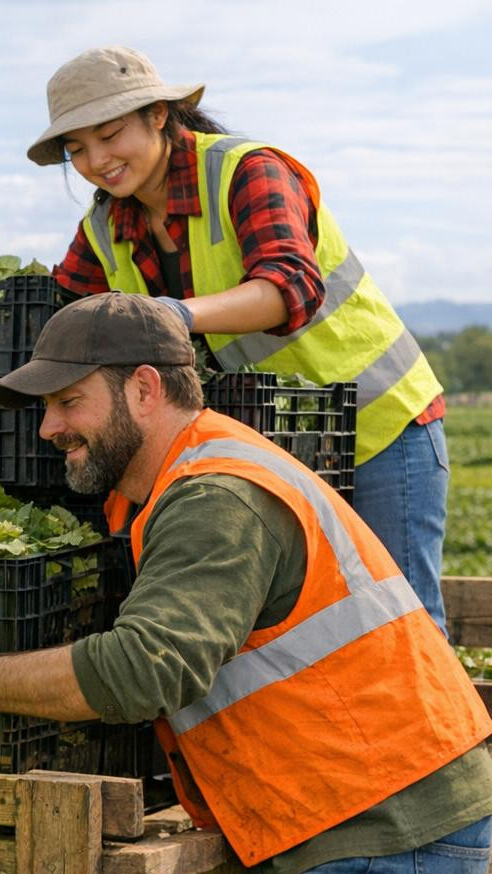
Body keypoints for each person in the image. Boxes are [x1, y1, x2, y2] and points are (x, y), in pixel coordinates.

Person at [0, 291, 492, 874]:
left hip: (381, 829)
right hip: (388, 810)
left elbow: (144, 668)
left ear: (143, 389)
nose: (50, 428)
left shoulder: (216, 495)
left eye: (68, 402)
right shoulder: (191, 474)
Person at [29, 45, 451, 632]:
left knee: (404, 620)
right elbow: (64, 317)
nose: (97, 160)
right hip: (279, 447)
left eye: (109, 134)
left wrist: (176, 313)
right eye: (77, 149)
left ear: (158, 115)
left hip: (380, 427)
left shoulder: (245, 171)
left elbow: (289, 286)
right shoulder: (104, 228)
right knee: (307, 630)